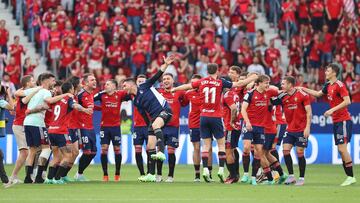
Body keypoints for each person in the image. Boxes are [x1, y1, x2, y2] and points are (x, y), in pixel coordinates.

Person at [171, 63, 258, 183]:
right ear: (217, 71)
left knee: (206, 146)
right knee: (222, 146)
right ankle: (221, 170)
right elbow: (239, 84)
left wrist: (175, 88)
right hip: (216, 117)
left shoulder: (201, 81)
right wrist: (253, 78)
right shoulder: (221, 82)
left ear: (207, 71)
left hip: (203, 116)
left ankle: (206, 170)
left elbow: (187, 86)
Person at [300, 64, 356, 186]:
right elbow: (317, 94)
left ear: (334, 73)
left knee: (342, 148)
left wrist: (332, 110)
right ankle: (349, 177)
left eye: (328, 70)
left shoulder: (340, 85)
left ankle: (351, 177)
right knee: (341, 150)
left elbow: (347, 101)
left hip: (344, 120)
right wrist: (303, 89)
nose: (325, 72)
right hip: (336, 121)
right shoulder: (328, 85)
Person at [122, 55, 175, 182]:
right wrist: (149, 128)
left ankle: (161, 152)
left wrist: (166, 64)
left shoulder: (144, 86)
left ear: (130, 85)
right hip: (154, 118)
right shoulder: (136, 102)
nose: (123, 89)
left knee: (156, 126)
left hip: (164, 110)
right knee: (150, 147)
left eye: (124, 86)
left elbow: (158, 75)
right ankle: (151, 174)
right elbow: (146, 117)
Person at [45, 82, 92, 184]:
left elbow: (47, 102)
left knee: (56, 156)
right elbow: (75, 106)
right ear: (71, 89)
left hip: (51, 130)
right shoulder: (69, 98)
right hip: (61, 131)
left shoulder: (57, 99)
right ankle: (57, 179)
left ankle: (49, 179)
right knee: (68, 156)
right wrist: (85, 109)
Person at [241, 75, 282, 185]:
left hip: (260, 127)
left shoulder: (268, 93)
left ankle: (259, 178)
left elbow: (279, 91)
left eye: (268, 82)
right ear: (258, 84)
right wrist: (247, 122)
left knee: (259, 153)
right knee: (246, 147)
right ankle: (245, 174)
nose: (267, 85)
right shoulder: (250, 94)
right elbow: (243, 109)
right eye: (265, 83)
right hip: (249, 125)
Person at [273, 76, 312, 186]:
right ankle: (291, 176)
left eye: (283, 84)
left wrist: (307, 127)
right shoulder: (282, 96)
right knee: (285, 151)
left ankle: (301, 178)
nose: (281, 85)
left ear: (290, 85)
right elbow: (270, 100)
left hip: (301, 129)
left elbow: (309, 112)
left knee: (300, 152)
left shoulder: (303, 95)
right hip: (289, 128)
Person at [94, 79, 130, 182]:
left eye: (108, 84)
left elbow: (131, 95)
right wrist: (98, 108)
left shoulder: (119, 94)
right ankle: (105, 175)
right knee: (104, 149)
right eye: (105, 84)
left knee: (117, 149)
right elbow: (89, 100)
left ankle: (117, 174)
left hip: (115, 127)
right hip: (104, 127)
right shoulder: (101, 95)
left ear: (114, 87)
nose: (105, 86)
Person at [183, 74, 214, 182]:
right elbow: (183, 103)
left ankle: (209, 174)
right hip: (194, 124)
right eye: (193, 83)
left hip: (207, 122)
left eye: (196, 83)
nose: (194, 86)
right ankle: (197, 175)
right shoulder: (188, 93)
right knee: (196, 148)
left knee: (209, 148)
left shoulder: (207, 93)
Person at [156, 73, 186, 183]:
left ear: (173, 81)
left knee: (171, 151)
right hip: (161, 126)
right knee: (160, 150)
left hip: (173, 127)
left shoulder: (179, 92)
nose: (165, 80)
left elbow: (185, 102)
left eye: (168, 78)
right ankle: (158, 175)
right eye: (164, 79)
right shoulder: (158, 92)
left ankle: (170, 176)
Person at [9, 76, 36, 184]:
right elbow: (18, 95)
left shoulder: (24, 93)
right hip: (19, 125)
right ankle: (13, 176)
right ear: (28, 83)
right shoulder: (21, 92)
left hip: (26, 125)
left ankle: (30, 175)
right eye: (32, 80)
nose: (34, 82)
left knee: (32, 151)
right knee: (24, 152)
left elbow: (14, 108)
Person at [74, 74, 97, 181]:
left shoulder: (91, 94)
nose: (95, 81)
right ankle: (78, 174)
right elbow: (73, 106)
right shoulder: (80, 94)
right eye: (92, 80)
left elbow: (91, 107)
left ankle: (80, 173)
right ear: (86, 83)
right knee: (86, 151)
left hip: (90, 127)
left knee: (93, 152)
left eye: (95, 79)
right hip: (81, 126)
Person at [1, 85, 15, 188]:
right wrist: (8, 93)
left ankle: (5, 179)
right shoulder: (1, 102)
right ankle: (5, 179)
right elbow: (12, 107)